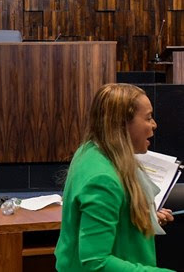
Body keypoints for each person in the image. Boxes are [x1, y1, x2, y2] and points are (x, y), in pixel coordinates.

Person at [55, 83, 175, 271]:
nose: (154, 124)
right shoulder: (103, 179)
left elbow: (112, 211)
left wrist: (144, 216)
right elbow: (96, 262)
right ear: (121, 123)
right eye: (148, 118)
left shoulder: (89, 150)